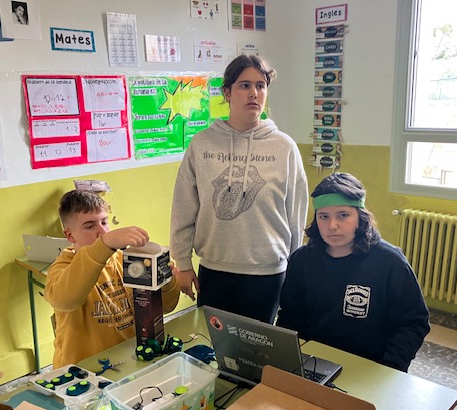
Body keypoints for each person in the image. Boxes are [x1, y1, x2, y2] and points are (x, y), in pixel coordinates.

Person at [170, 54, 309, 323]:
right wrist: (183, 264)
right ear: (227, 92)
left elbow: (297, 213)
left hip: (268, 273)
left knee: (258, 344)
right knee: (214, 342)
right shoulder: (202, 144)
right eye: (244, 85)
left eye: (261, 85)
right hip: (215, 270)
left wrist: (295, 268)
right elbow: (183, 207)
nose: (254, 93)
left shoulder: (285, 147)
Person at [277, 173, 430, 371]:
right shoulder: (301, 260)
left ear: (360, 217)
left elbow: (413, 322)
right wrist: (288, 359)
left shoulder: (390, 262)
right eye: (324, 216)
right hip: (313, 362)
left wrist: (390, 367)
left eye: (343, 215)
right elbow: (290, 316)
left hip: (371, 367)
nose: (332, 226)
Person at [44, 190, 181, 368]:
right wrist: (104, 244)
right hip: (84, 370)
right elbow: (65, 299)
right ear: (70, 235)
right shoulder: (63, 267)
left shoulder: (125, 261)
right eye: (90, 226)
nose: (102, 232)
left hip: (130, 361)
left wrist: (166, 282)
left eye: (104, 222)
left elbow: (166, 307)